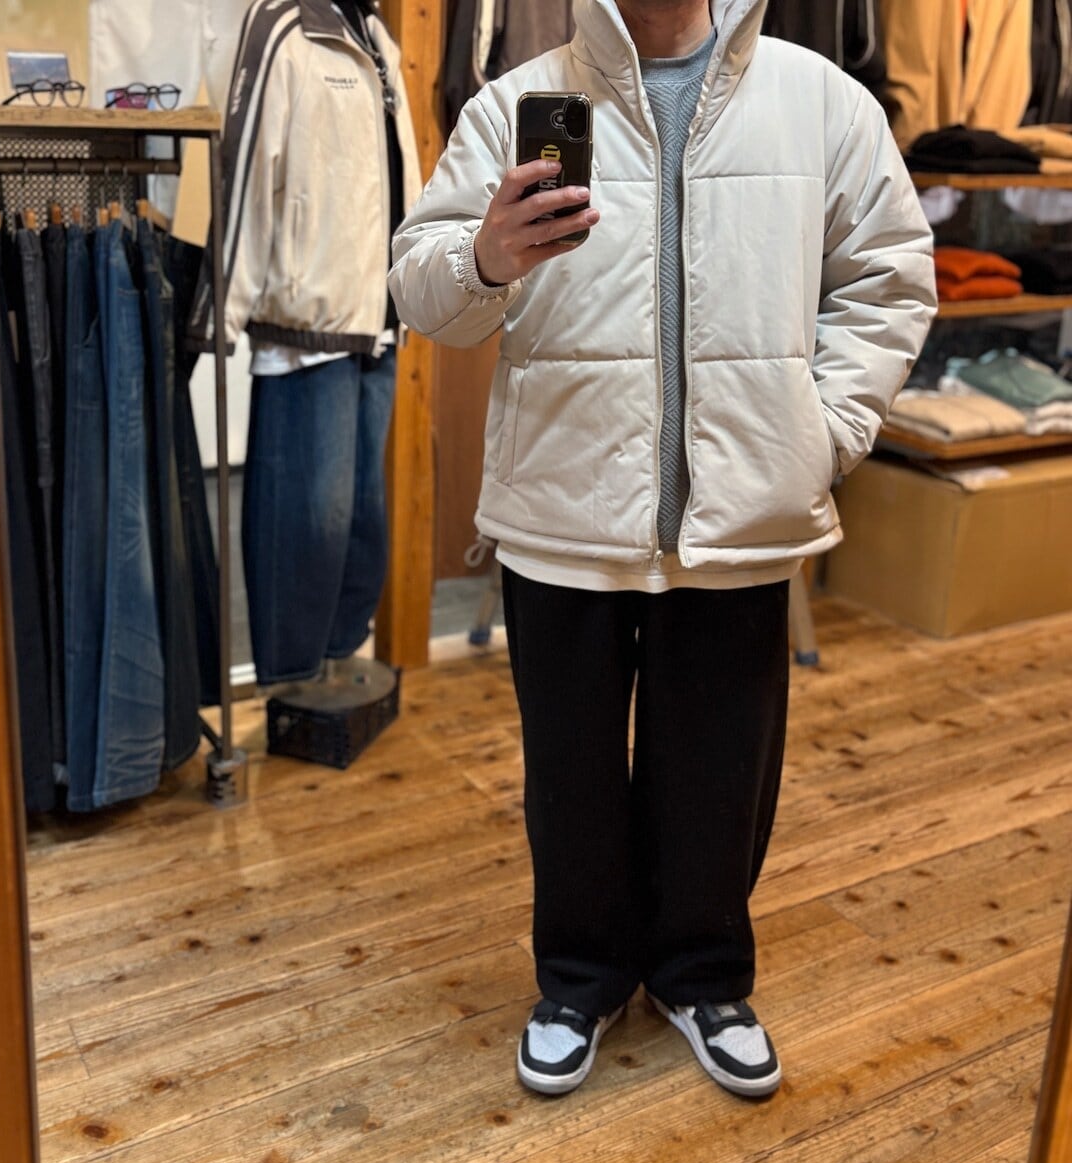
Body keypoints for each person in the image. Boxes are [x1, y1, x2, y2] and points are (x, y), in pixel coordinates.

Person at [390, 0, 935, 1099]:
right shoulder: (519, 101)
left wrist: (822, 432)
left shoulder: (820, 101)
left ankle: (704, 976)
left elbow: (888, 275)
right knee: (571, 776)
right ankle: (578, 980)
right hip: (564, 511)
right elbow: (419, 288)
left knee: (720, 772)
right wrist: (485, 259)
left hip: (742, 513)